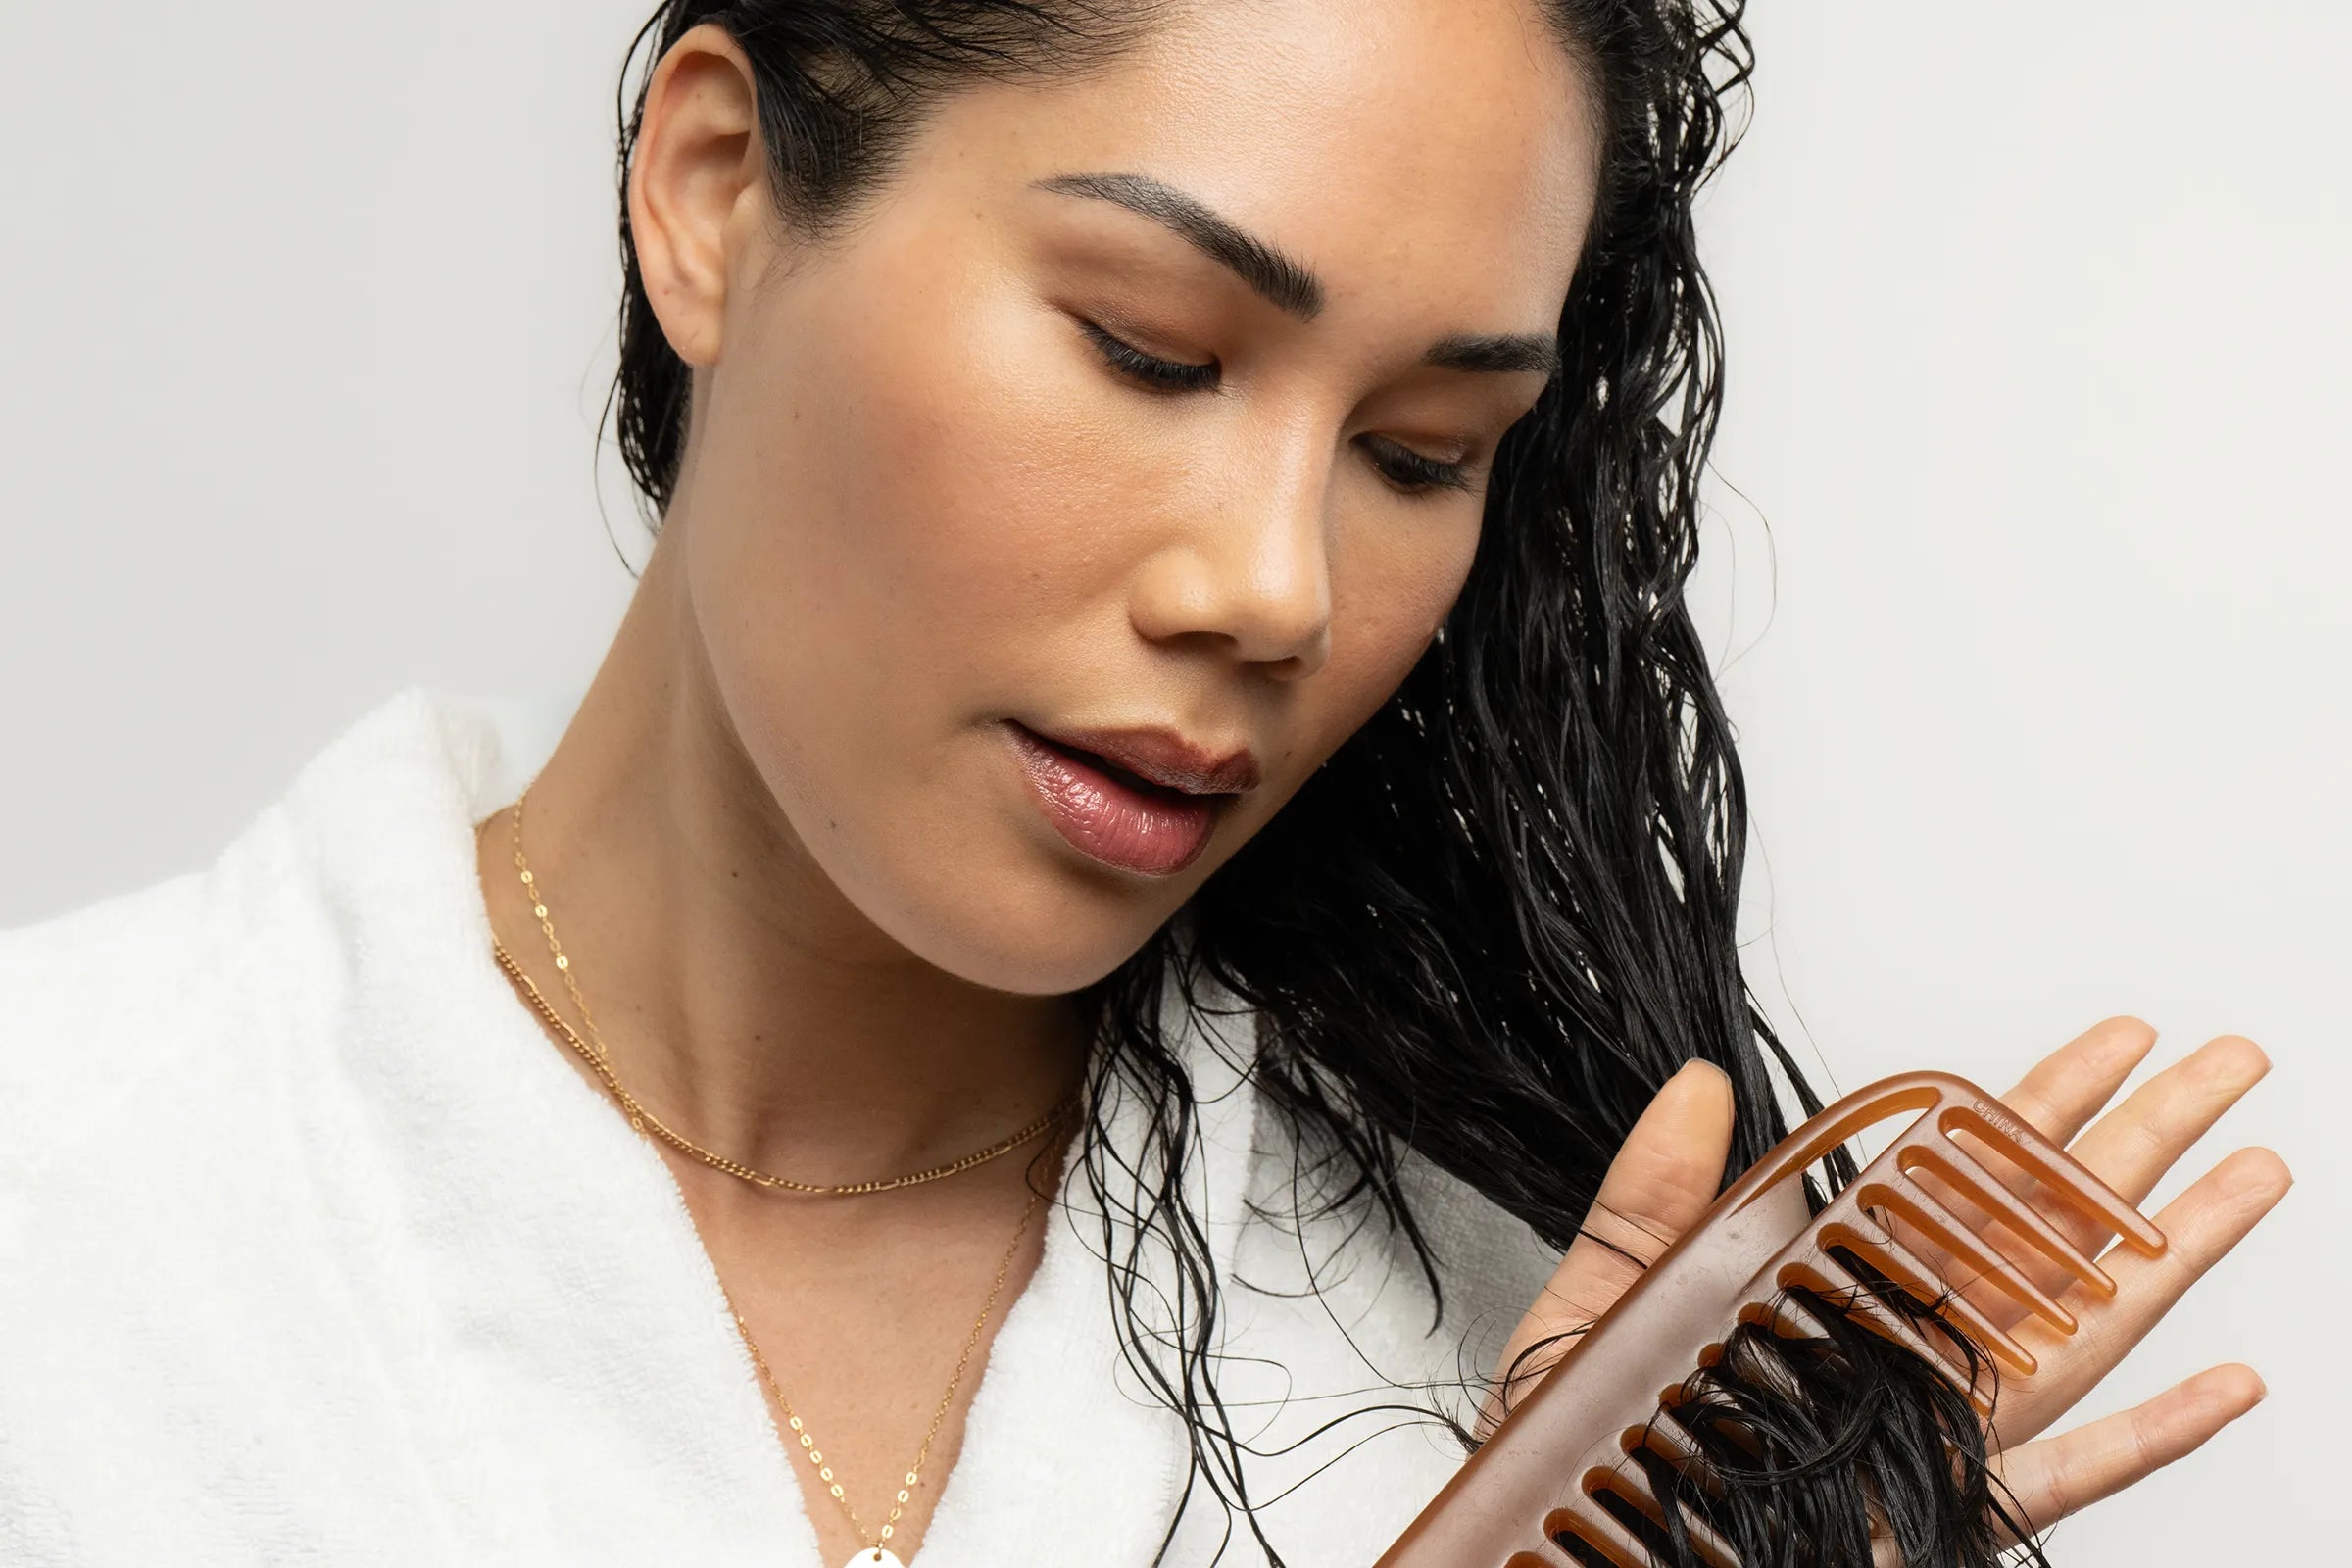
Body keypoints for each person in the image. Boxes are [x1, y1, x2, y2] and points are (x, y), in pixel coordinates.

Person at [0, 2, 2288, 1565]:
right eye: (1150, 348)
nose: (1278, 586)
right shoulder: (79, 1212)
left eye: (1423, 453)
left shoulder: (1499, 1343)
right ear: (711, 191)